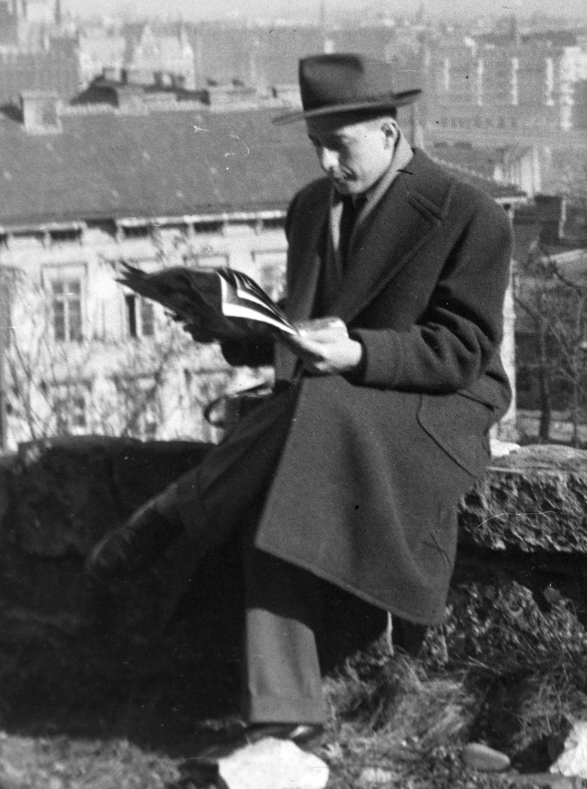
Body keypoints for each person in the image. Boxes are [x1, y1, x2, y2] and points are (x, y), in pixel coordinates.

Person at [85, 53, 513, 750]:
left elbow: (463, 348)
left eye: (338, 145)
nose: (324, 162)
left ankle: (173, 511)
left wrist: (362, 353)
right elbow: (308, 322)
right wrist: (237, 328)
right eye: (315, 143)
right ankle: (286, 712)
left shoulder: (469, 215)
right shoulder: (313, 209)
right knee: (290, 468)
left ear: (387, 130)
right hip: (332, 399)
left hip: (434, 402)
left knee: (313, 418)